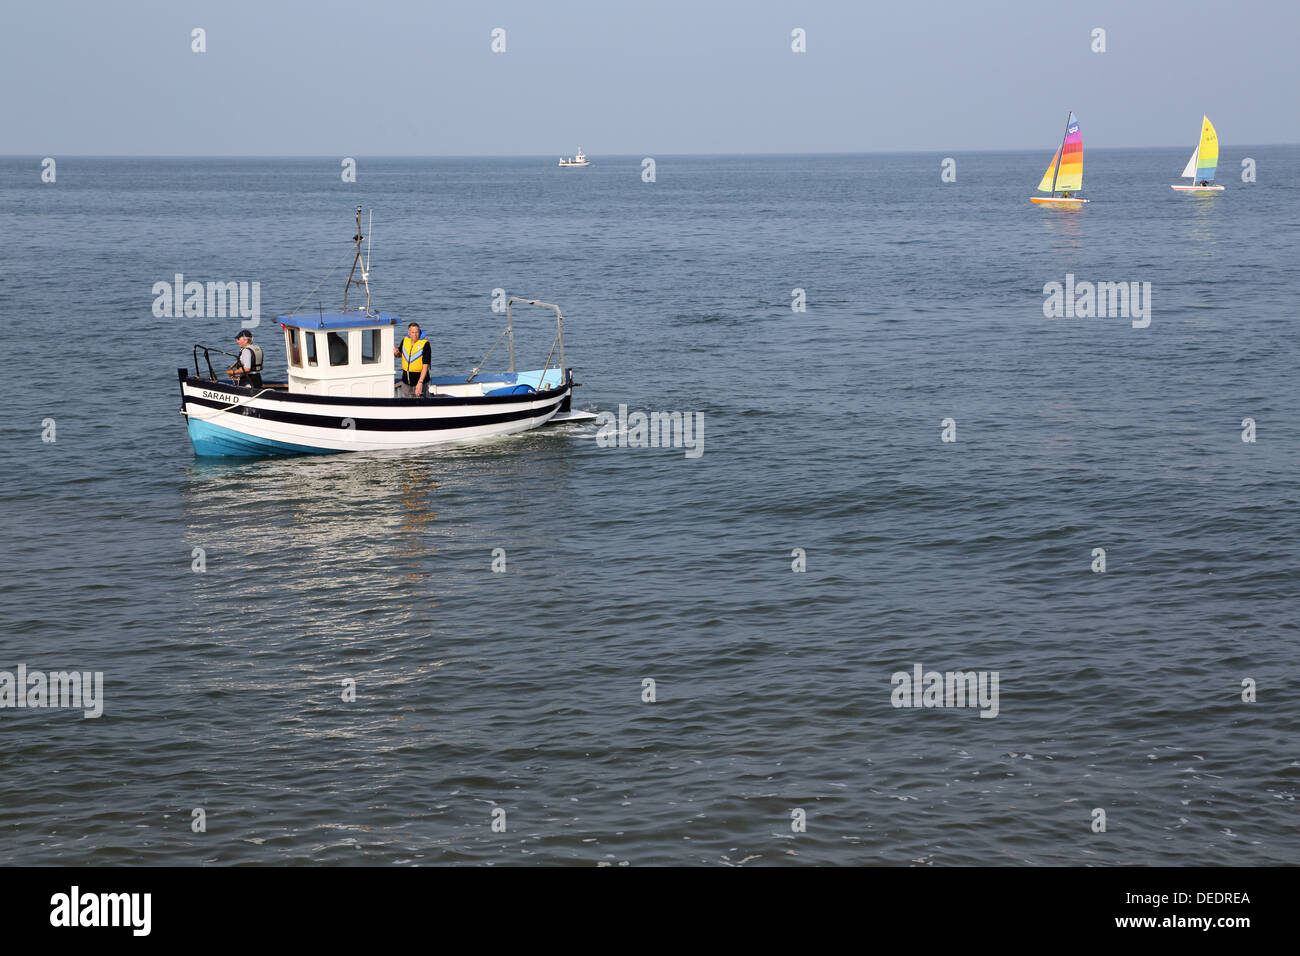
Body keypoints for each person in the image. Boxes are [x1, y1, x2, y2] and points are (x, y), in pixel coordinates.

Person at [394, 323, 430, 398]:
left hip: (420, 382)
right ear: (409, 333)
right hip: (406, 381)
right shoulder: (405, 341)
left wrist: (420, 383)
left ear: (419, 332)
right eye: (412, 332)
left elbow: (426, 365)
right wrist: (396, 353)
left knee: (421, 405)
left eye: (417, 332)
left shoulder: (425, 344)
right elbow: (400, 355)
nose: (415, 334)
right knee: (405, 404)